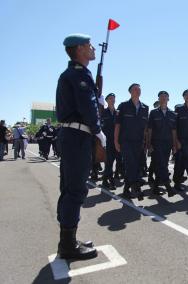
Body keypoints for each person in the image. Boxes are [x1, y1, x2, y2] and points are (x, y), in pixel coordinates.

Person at [56, 33, 106, 260]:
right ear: (79, 49)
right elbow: (87, 106)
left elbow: (87, 102)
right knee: (75, 189)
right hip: (78, 137)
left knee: (69, 188)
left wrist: (98, 98)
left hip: (72, 136)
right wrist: (98, 130)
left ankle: (67, 239)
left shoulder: (73, 74)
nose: (93, 48)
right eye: (89, 45)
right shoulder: (79, 75)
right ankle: (67, 245)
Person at [115, 84, 149, 199]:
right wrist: (116, 141)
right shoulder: (123, 106)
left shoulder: (145, 108)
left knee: (136, 164)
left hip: (138, 142)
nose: (138, 90)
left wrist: (145, 142)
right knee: (130, 164)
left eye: (139, 89)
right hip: (125, 141)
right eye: (135, 89)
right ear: (130, 92)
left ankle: (126, 190)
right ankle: (136, 187)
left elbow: (145, 128)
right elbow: (118, 125)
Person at [146, 91, 178, 197]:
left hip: (168, 144)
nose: (163, 98)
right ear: (158, 99)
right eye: (161, 97)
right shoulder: (153, 113)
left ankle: (155, 188)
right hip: (156, 143)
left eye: (165, 97)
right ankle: (169, 188)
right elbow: (149, 129)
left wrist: (174, 145)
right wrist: (148, 144)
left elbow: (174, 131)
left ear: (168, 99)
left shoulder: (173, 114)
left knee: (162, 165)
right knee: (161, 165)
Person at [101, 93, 121, 190]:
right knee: (109, 162)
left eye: (113, 98)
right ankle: (110, 181)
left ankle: (106, 179)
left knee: (119, 161)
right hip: (108, 141)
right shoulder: (103, 113)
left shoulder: (118, 113)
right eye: (110, 98)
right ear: (107, 100)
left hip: (117, 141)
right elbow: (101, 127)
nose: (112, 100)